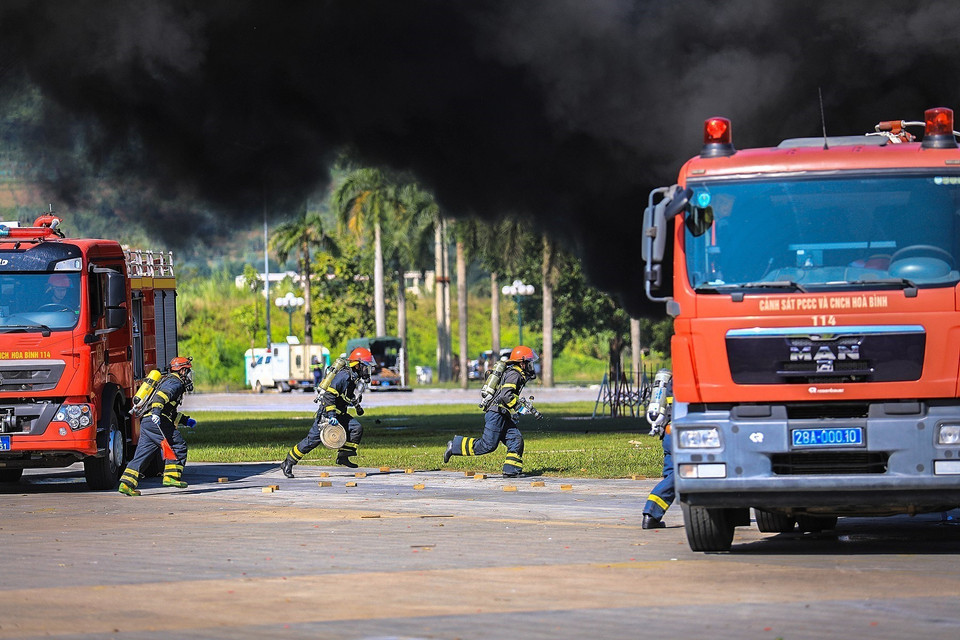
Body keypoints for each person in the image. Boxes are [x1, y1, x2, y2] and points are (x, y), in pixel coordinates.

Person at [443, 345, 541, 478]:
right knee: (488, 445)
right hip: (496, 414)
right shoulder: (515, 374)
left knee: (515, 440)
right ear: (522, 363)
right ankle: (454, 446)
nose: (531, 365)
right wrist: (518, 408)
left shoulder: (515, 373)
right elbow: (506, 395)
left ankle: (511, 470)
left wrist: (516, 409)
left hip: (503, 414)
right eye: (529, 362)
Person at [280, 346, 373, 476]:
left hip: (340, 414)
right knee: (311, 441)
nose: (367, 369)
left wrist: (354, 402)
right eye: (366, 366)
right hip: (327, 415)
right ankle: (288, 462)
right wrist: (331, 415)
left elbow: (344, 395)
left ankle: (343, 456)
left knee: (356, 428)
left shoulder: (353, 378)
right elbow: (329, 395)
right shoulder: (344, 376)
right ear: (357, 365)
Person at [119, 356, 196, 496]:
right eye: (188, 371)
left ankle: (126, 484)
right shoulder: (175, 383)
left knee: (142, 455)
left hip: (147, 423)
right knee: (178, 445)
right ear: (182, 371)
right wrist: (156, 413)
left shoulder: (166, 381)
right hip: (157, 421)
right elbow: (160, 398)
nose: (188, 375)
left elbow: (168, 411)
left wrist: (185, 420)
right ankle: (172, 477)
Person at [642, 368, 674, 529]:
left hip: (668, 434)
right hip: (679, 434)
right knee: (679, 476)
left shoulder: (671, 383)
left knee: (671, 475)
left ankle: (653, 517)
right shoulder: (684, 382)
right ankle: (651, 511)